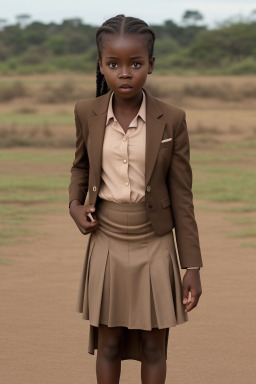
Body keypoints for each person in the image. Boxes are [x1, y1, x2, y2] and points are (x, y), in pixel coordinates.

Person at [68, 14, 203, 384]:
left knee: (154, 347)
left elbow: (182, 195)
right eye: (113, 64)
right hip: (107, 239)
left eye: (135, 64)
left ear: (151, 65)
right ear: (101, 65)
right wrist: (75, 207)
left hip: (155, 241)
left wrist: (192, 265)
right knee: (108, 344)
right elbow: (80, 167)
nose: (124, 73)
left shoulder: (171, 119)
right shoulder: (86, 113)